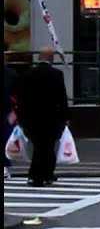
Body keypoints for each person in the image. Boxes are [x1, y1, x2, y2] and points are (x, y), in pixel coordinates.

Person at [16, 47, 67, 187]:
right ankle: (39, 175)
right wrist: (65, 116)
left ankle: (43, 174)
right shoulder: (56, 74)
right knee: (47, 146)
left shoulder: (27, 74)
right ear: (52, 58)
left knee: (39, 145)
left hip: (31, 117)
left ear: (39, 57)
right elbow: (61, 97)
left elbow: (21, 97)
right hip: (51, 117)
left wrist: (20, 116)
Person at [3, 44, 17, 179]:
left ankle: (4, 165)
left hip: (6, 110)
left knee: (5, 138)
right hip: (7, 109)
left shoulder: (11, 74)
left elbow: (16, 93)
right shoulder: (11, 74)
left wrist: (14, 110)